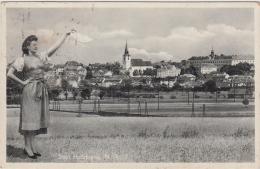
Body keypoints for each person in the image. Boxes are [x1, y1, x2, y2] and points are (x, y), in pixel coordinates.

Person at [7, 30, 75, 159]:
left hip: (41, 90)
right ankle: (27, 147)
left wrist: (65, 36)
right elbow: (9, 74)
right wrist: (22, 82)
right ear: (27, 46)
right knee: (29, 119)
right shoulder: (21, 59)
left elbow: (54, 47)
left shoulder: (41, 56)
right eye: (34, 45)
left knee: (36, 120)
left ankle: (32, 146)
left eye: (36, 44)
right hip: (30, 90)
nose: (36, 46)